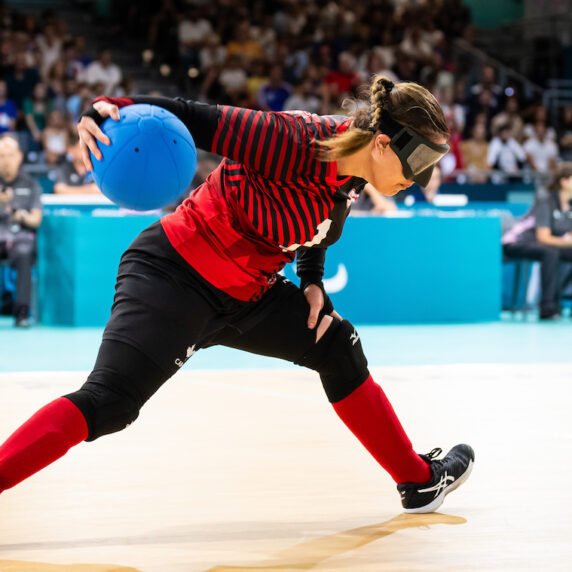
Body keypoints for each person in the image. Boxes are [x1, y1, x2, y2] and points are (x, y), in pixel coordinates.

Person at [0, 76, 474, 514]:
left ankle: (418, 482)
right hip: (174, 275)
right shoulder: (295, 142)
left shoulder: (354, 174)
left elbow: (321, 230)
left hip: (248, 293)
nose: (417, 181)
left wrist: (311, 280)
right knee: (108, 403)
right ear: (383, 144)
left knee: (337, 346)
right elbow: (196, 117)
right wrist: (111, 110)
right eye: (418, 167)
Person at [503, 163, 572, 320]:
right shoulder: (546, 200)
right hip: (517, 242)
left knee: (552, 252)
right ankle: (548, 309)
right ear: (564, 181)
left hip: (548, 246)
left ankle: (560, 302)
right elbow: (543, 237)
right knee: (550, 253)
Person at [0, 134, 43, 327]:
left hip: (19, 240)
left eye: (9, 155)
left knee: (25, 252)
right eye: (1, 155)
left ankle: (22, 312)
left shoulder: (30, 183)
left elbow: (36, 219)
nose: (5, 160)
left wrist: (20, 215)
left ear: (18, 156)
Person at [53, 130, 101, 195]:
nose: (86, 151)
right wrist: (90, 190)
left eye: (88, 147)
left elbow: (102, 191)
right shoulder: (64, 168)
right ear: (71, 150)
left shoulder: (97, 167)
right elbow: (59, 190)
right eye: (81, 147)